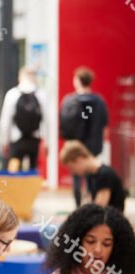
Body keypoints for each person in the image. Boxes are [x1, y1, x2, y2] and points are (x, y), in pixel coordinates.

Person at [60, 67, 109, 207]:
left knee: (76, 177)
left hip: (75, 145)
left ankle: (78, 206)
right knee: (92, 176)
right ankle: (92, 204)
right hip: (93, 145)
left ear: (77, 81)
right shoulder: (99, 102)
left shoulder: (69, 100)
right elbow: (105, 127)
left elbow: (63, 124)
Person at [0, 67, 47, 171]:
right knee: (33, 171)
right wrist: (46, 142)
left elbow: (5, 121)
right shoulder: (41, 95)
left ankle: (15, 187)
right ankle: (32, 187)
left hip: (16, 139)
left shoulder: (12, 94)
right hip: (35, 139)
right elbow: (47, 120)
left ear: (20, 77)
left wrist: (4, 142)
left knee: (14, 171)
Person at [60, 141, 127, 211]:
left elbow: (98, 209)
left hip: (110, 219)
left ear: (78, 160)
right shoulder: (91, 175)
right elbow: (89, 204)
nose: (73, 172)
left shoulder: (105, 174)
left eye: (71, 168)